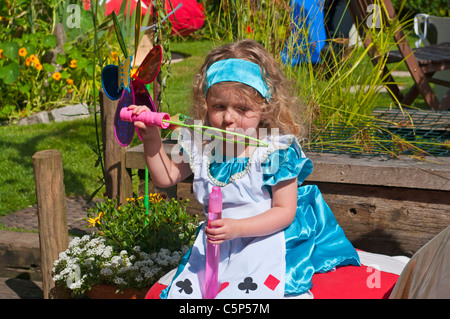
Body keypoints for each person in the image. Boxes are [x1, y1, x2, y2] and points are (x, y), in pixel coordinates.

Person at [129, 39, 360, 299]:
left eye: (242, 109)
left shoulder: (271, 151)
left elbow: (284, 212)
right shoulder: (202, 144)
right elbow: (166, 176)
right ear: (206, 103)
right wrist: (151, 139)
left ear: (264, 107)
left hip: (264, 239)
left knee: (252, 295)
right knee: (189, 296)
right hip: (219, 244)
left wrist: (238, 229)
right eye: (219, 107)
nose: (228, 118)